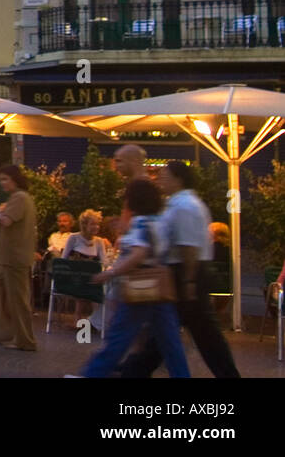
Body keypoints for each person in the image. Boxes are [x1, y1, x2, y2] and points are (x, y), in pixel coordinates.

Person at [120, 161, 240, 379]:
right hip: (187, 274)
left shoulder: (185, 207)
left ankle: (133, 369)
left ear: (178, 178)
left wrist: (188, 282)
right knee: (189, 334)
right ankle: (133, 369)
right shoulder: (179, 204)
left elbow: (188, 247)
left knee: (193, 334)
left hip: (186, 273)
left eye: (164, 175)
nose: (160, 178)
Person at [78, 178, 189, 378]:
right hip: (162, 289)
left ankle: (92, 374)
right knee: (171, 344)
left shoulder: (140, 222)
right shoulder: (161, 221)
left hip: (140, 288)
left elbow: (138, 253)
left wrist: (110, 273)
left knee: (118, 339)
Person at [0, 164, 37, 351]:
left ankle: (25, 340)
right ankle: (6, 333)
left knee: (18, 300)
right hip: (8, 257)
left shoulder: (19, 198)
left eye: (5, 179)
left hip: (14, 258)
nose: (2, 184)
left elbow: (6, 221)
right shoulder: (20, 198)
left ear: (14, 179)